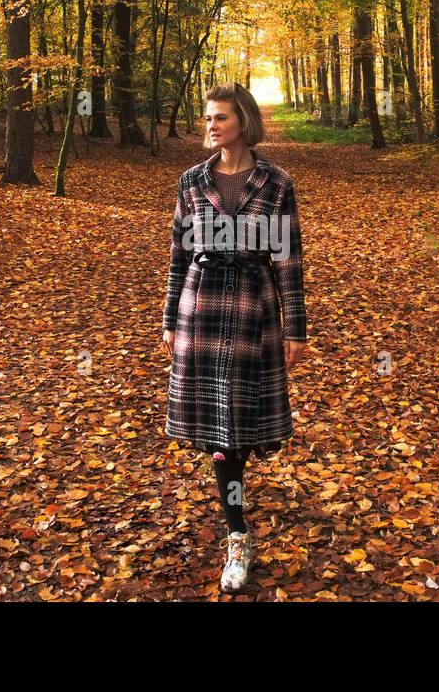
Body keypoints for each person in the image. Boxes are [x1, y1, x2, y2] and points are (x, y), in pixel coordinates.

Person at [161, 82, 308, 594]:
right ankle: (238, 533)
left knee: (239, 428)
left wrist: (298, 329)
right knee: (217, 432)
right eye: (207, 118)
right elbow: (179, 254)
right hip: (200, 311)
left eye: (220, 117)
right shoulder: (191, 181)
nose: (211, 126)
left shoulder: (276, 182)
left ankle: (235, 520)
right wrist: (168, 319)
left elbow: (288, 258)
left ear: (243, 121)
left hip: (253, 313)